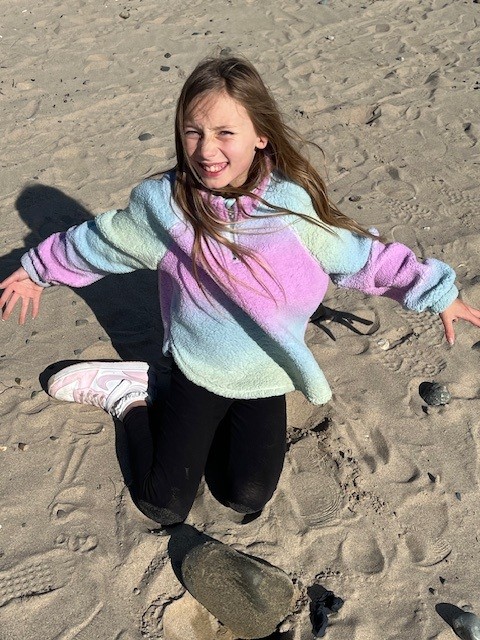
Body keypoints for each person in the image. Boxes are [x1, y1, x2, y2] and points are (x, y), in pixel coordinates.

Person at [1, 56, 480, 527]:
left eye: (225, 133)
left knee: (244, 493)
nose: (206, 149)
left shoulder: (291, 207)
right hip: (197, 366)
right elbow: (101, 241)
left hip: (265, 371)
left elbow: (364, 257)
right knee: (163, 502)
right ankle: (131, 398)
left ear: (260, 135)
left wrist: (435, 292)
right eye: (193, 132)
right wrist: (39, 269)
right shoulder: (167, 208)